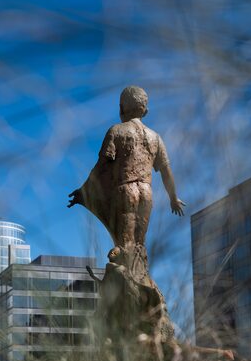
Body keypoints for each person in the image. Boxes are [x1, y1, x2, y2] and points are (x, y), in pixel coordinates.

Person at [68, 86, 185, 253]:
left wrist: (84, 190)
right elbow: (167, 173)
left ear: (122, 108)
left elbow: (101, 166)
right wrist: (173, 198)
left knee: (125, 245)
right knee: (139, 246)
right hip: (146, 192)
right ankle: (139, 277)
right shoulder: (156, 138)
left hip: (125, 191)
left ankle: (123, 276)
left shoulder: (117, 131)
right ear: (145, 109)